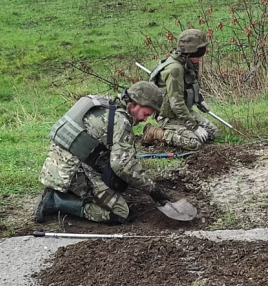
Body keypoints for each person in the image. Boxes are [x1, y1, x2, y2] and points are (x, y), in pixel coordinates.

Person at [34, 81, 170, 224]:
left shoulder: (103, 102)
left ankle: (69, 191)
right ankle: (56, 201)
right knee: (120, 212)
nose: (144, 119)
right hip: (72, 172)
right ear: (135, 104)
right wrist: (152, 188)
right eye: (146, 113)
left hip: (56, 164)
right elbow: (123, 166)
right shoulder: (120, 122)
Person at [142, 28, 219, 150]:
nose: (201, 58)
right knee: (194, 143)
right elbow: (176, 103)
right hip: (168, 116)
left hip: (182, 112)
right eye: (198, 54)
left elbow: (191, 84)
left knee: (212, 133)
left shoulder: (188, 64)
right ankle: (155, 132)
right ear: (188, 53)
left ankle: (180, 129)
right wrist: (194, 127)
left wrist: (199, 100)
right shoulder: (175, 70)